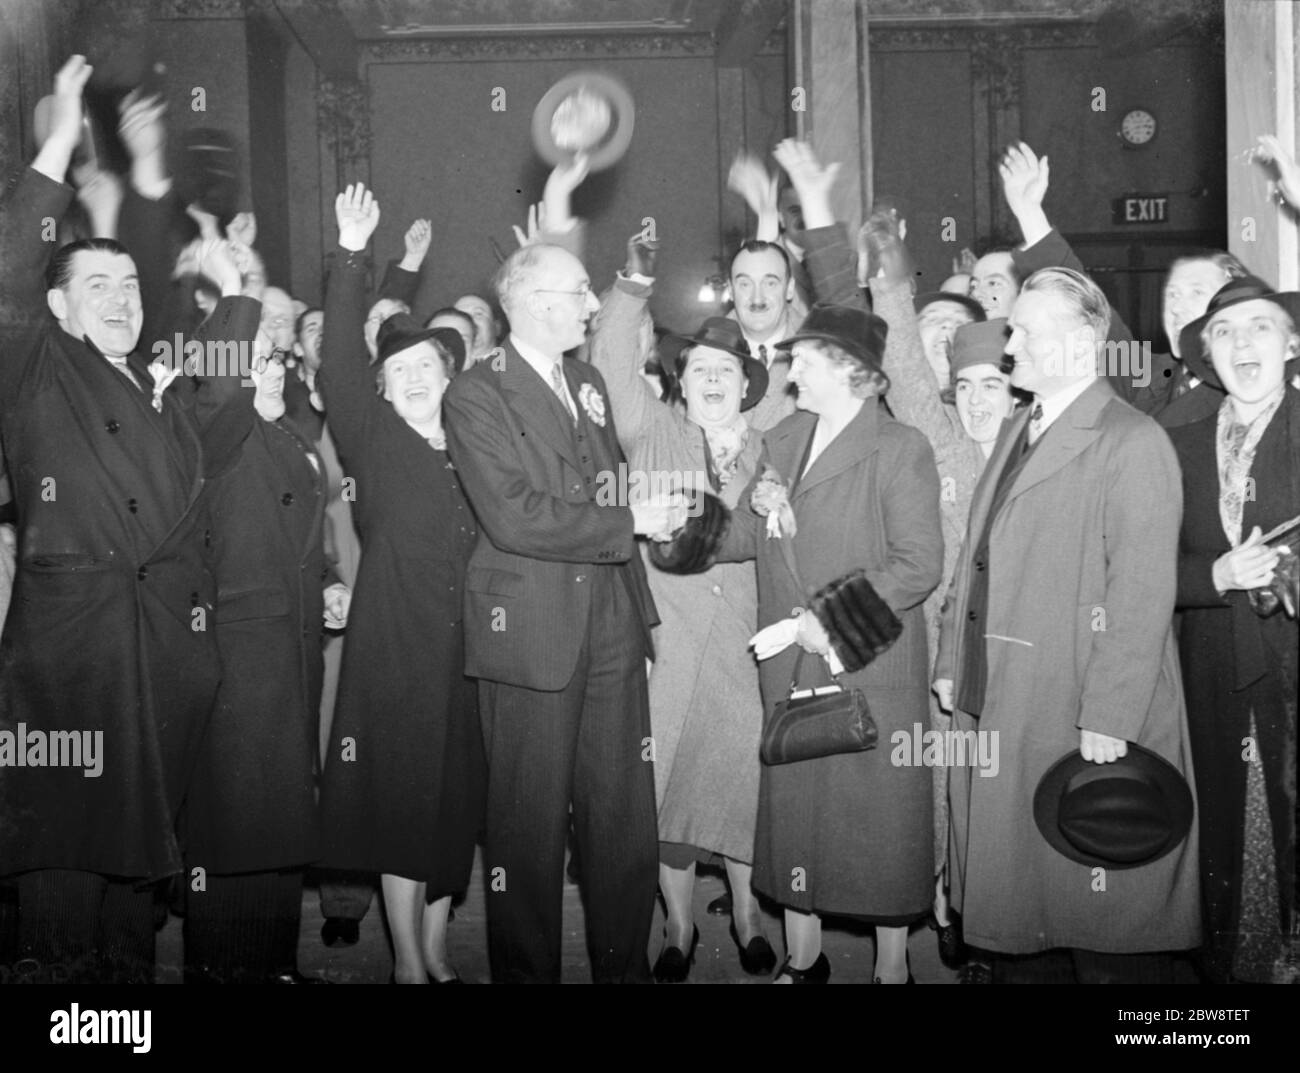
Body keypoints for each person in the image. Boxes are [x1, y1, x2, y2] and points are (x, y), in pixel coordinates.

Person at [0, 56, 240, 983]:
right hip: (72, 663)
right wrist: (57, 147)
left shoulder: (160, 394)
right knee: (64, 858)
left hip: (161, 666)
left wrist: (232, 292)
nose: (121, 300)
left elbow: (222, 427)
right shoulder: (35, 371)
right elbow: (13, 263)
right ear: (55, 308)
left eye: (131, 286)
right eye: (97, 286)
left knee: (137, 877)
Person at [659, 301, 943, 984]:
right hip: (788, 665)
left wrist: (830, 620)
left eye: (806, 360)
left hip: (867, 660)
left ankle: (892, 966)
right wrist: (682, 530)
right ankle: (804, 957)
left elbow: (918, 563)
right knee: (798, 820)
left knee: (877, 825)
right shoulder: (786, 435)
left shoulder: (900, 448)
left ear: (852, 371)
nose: (793, 372)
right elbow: (747, 532)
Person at [934, 266, 1200, 983]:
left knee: (1095, 907)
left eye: (1023, 329)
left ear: (1083, 341)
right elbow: (977, 555)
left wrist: (1110, 715)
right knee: (1025, 900)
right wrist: (952, 660)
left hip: (1076, 702)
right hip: (1011, 691)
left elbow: (1142, 594)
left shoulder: (1130, 440)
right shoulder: (1024, 422)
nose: (1008, 342)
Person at [443, 237, 677, 983]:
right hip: (530, 631)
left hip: (611, 616)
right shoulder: (476, 391)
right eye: (580, 292)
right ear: (531, 303)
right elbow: (513, 516)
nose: (590, 304)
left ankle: (622, 969)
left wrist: (648, 510)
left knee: (624, 824)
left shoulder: (587, 381)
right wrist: (628, 520)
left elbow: (603, 482)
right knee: (526, 833)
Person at [588, 231, 776, 982]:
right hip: (666, 645)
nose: (711, 381)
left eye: (725, 371)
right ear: (681, 379)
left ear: (745, 384)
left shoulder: (774, 449)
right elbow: (607, 364)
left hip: (744, 643)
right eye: (698, 369)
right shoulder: (653, 429)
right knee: (665, 787)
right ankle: (677, 923)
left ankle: (751, 913)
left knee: (739, 779)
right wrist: (633, 282)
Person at [318, 184, 485, 985]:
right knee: (405, 805)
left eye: (429, 366)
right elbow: (342, 364)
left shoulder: (478, 450)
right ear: (382, 388)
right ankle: (410, 967)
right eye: (401, 370)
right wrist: (355, 254)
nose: (416, 378)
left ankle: (441, 949)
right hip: (396, 652)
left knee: (455, 807)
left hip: (471, 658)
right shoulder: (373, 440)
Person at [182, 244, 342, 983]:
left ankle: (274, 962)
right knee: (238, 818)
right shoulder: (212, 428)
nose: (271, 359)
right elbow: (217, 384)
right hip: (242, 657)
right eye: (257, 350)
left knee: (278, 819)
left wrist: (328, 583)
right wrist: (240, 289)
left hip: (293, 651)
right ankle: (225, 969)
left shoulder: (288, 435)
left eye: (275, 351)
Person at [1167, 275, 1299, 983]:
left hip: (1291, 670)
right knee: (1222, 843)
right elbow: (1138, 562)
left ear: (1292, 342)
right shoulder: (1174, 438)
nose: (1243, 342)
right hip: (1210, 672)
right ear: (1207, 353)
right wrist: (1215, 576)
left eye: (1260, 326)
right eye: (1225, 331)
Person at [999, 141, 1247, 423]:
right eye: (1173, 295)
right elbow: (1086, 312)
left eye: (1197, 292)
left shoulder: (1249, 390)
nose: (1177, 307)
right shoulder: (1152, 377)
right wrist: (1029, 212)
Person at [454, 293, 501, 366]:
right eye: (461, 315)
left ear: (497, 328)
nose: (468, 319)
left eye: (478, 314)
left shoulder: (517, 369)